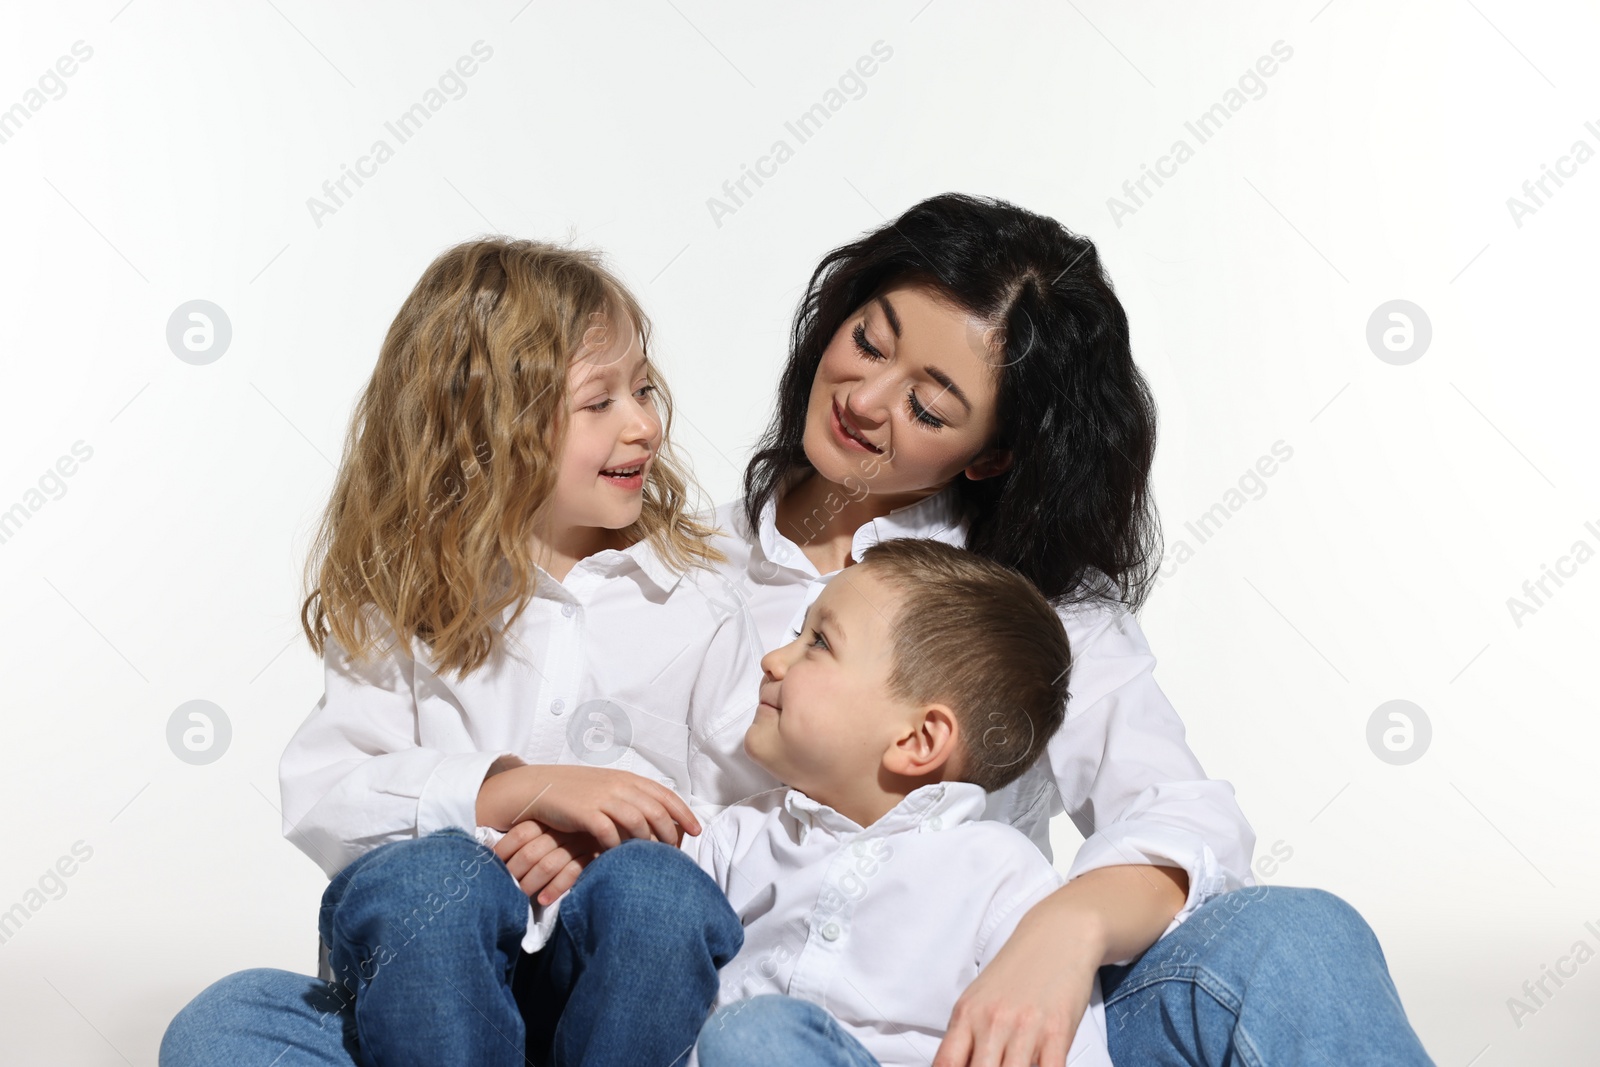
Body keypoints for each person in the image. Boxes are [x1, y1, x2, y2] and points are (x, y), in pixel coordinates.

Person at [704, 192, 1434, 1064]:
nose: (864, 399)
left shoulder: (1032, 599)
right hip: (760, 1026)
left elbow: (1182, 812)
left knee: (1300, 934)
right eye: (868, 340)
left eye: (929, 407)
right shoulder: (677, 561)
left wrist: (1067, 925)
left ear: (992, 453)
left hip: (994, 1030)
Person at [159, 237, 779, 1067]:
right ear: (486, 428)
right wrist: (510, 791)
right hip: (423, 1005)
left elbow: (763, 817)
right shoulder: (406, 597)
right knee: (227, 1022)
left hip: (608, 1008)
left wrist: (614, 844)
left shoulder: (698, 602)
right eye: (599, 402)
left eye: (642, 388)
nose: (644, 423)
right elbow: (327, 798)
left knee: (658, 895)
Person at [683, 537, 1113, 1067]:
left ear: (917, 740)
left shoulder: (998, 874)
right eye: (797, 632)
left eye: (818, 642)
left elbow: (1065, 1043)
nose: (773, 660)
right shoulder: (743, 834)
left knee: (755, 1035)